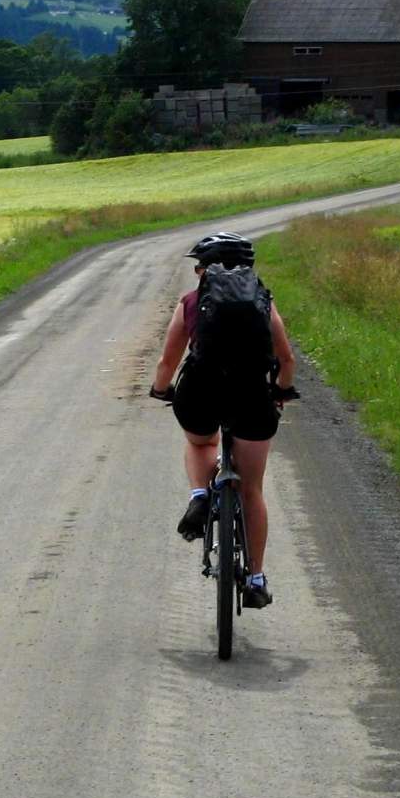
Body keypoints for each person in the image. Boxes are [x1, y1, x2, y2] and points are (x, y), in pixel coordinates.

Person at [149, 231, 295, 608]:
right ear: (248, 266)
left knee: (201, 442)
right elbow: (287, 360)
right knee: (252, 490)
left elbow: (167, 361)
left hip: (201, 391)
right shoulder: (264, 301)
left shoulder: (192, 303)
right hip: (251, 396)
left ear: (203, 268)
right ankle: (257, 578)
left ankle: (200, 494)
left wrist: (161, 389)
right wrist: (280, 391)